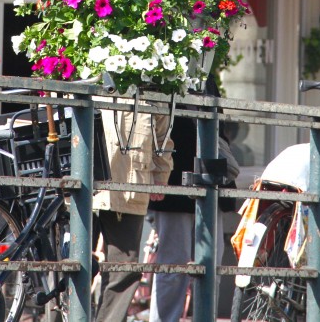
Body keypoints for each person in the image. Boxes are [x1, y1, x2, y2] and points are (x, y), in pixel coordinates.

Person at [146, 115, 238, 322]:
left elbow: (218, 126)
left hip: (209, 179)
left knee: (210, 262)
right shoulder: (165, 84)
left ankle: (205, 317)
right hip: (174, 180)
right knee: (173, 262)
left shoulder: (207, 82)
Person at [93, 102, 174, 322]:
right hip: (87, 177)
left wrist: (161, 172)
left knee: (124, 268)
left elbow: (162, 131)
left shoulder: (154, 79)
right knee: (70, 263)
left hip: (130, 179)